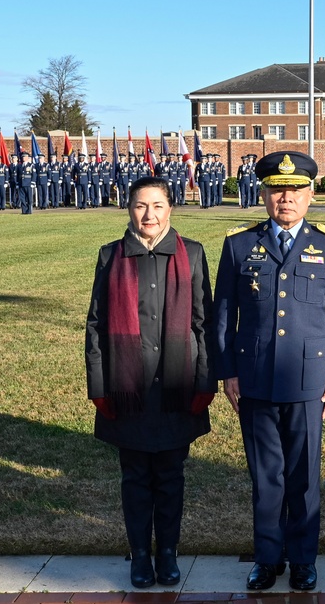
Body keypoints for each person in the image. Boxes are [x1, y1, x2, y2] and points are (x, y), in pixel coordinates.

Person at [213, 151, 325, 592]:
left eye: (295, 191)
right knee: (265, 475)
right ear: (263, 194)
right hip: (254, 376)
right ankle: (267, 557)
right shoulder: (239, 245)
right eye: (277, 190)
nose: (286, 198)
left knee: (304, 475)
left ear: (311, 195)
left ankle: (303, 559)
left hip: (309, 380)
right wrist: (227, 372)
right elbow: (223, 314)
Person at [85, 176, 216, 589]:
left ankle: (168, 554)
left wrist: (204, 383)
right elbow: (95, 328)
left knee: (172, 477)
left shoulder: (191, 254)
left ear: (170, 208)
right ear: (129, 209)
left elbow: (203, 325)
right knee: (136, 478)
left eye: (157, 205)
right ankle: (140, 555)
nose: (149, 215)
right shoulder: (111, 257)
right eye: (141, 206)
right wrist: (101, 388)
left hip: (177, 389)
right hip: (129, 390)